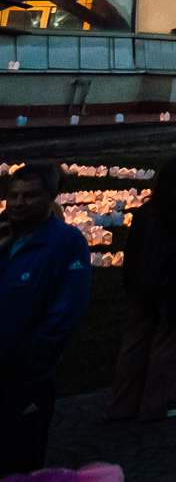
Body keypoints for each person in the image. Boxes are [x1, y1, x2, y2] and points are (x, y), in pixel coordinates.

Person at [0, 159, 93, 474]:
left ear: (51, 197)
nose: (18, 203)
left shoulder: (66, 243)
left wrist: (35, 357)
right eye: (13, 195)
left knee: (19, 459)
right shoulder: (5, 238)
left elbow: (68, 308)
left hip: (25, 376)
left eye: (29, 196)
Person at [107, 156, 176, 421]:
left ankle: (122, 404)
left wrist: (130, 282)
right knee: (167, 343)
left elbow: (132, 250)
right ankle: (154, 404)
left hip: (141, 283)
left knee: (135, 342)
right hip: (173, 287)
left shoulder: (145, 212)